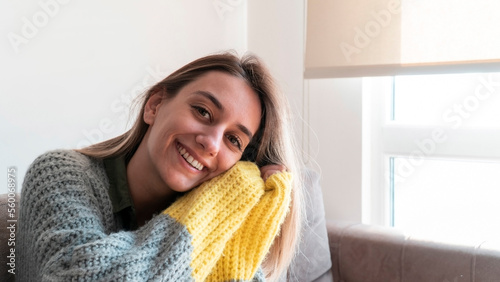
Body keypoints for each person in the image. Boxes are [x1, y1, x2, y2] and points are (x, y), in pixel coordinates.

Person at [17, 52, 303, 281]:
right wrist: (218, 207)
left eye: (233, 140)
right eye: (203, 111)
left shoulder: (218, 216)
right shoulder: (58, 174)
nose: (211, 144)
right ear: (154, 105)